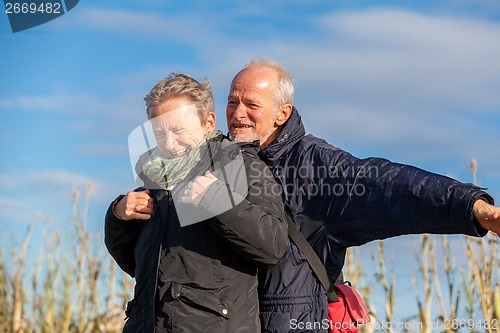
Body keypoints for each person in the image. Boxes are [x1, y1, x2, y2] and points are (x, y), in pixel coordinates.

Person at [225, 59, 500, 333]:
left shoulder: (317, 167)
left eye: (252, 105)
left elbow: (389, 185)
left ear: (282, 114)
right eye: (232, 102)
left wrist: (470, 206)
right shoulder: (215, 164)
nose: (238, 114)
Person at [104, 73, 289, 333]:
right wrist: (118, 218)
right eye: (159, 132)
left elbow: (272, 246)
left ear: (208, 123)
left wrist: (217, 199)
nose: (169, 143)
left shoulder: (244, 166)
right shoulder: (154, 182)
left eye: (178, 130)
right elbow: (135, 266)